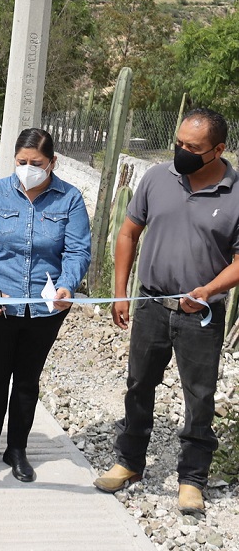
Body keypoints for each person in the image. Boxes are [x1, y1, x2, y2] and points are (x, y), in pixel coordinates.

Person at [94, 108, 239, 515]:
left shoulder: (237, 193)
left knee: (200, 396)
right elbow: (128, 232)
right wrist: (119, 293)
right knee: (139, 385)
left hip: (201, 315)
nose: (182, 153)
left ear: (218, 150)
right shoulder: (157, 177)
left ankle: (192, 479)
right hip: (151, 304)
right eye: (178, 144)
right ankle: (129, 462)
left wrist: (208, 290)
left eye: (193, 148)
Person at [0, 127, 90, 483]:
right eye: (22, 162)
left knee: (28, 380)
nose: (29, 168)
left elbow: (77, 250)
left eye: (37, 163)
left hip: (46, 310)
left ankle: (17, 449)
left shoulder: (70, 199)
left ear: (53, 162)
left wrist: (67, 285)